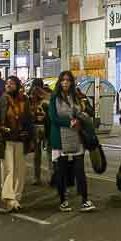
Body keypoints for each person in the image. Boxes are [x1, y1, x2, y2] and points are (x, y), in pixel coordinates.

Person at [47, 70, 95, 212]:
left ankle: (85, 200)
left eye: (68, 80)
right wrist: (69, 122)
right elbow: (53, 118)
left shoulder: (77, 96)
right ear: (60, 82)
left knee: (79, 170)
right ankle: (63, 201)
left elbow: (86, 111)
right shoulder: (54, 98)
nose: (65, 82)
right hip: (60, 138)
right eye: (63, 80)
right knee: (61, 171)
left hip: (76, 137)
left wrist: (80, 118)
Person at [0, 76, 34, 212]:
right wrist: (1, 128)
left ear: (17, 85)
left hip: (21, 139)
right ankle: (9, 199)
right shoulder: (1, 100)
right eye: (7, 84)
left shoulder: (24, 100)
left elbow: (29, 119)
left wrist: (30, 135)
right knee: (8, 169)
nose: (8, 85)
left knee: (20, 171)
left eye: (11, 83)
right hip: (6, 139)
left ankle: (16, 198)